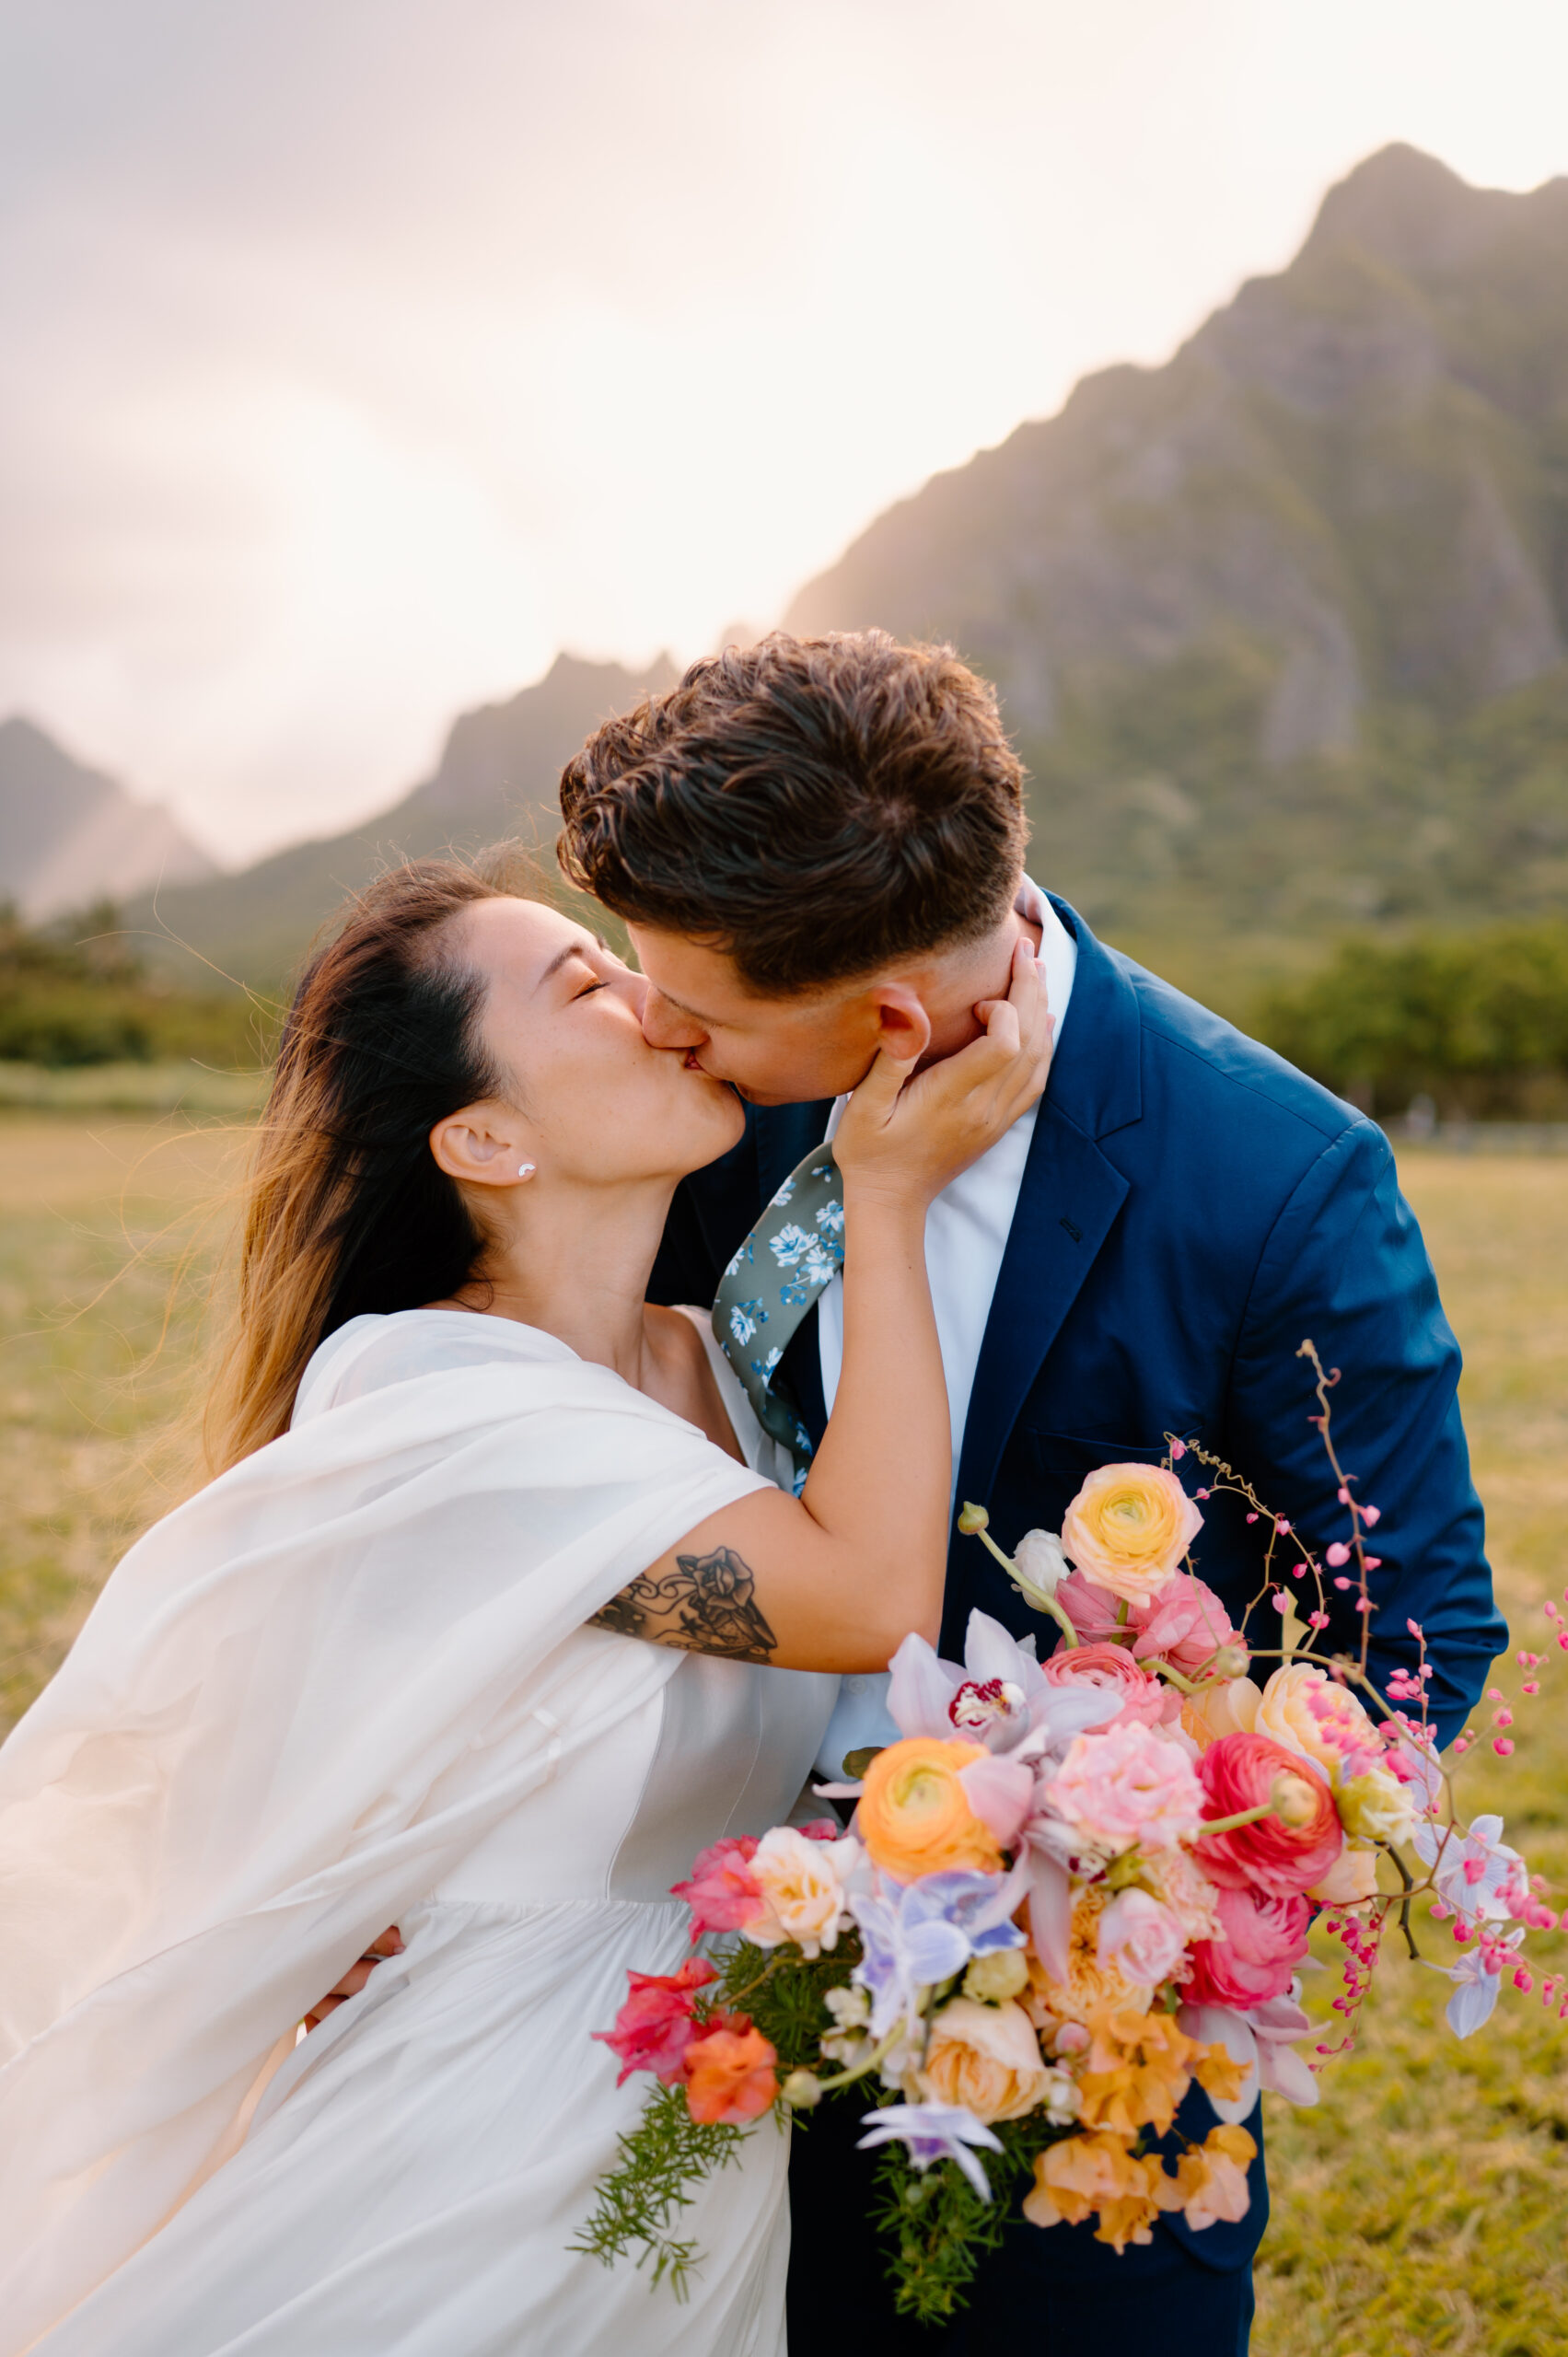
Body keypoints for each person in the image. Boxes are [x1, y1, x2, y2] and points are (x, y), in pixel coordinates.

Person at [554, 628, 1505, 2354]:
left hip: (1051, 2075)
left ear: (888, 1021)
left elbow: (1411, 1645)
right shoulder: (679, 1099)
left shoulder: (1275, 1183)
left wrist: (1098, 1883)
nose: (648, 1022)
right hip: (633, 2002)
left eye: (696, 1004)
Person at [0, 855, 1051, 2357]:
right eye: (589, 984)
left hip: (683, 2133)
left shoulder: (715, 1365)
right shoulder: (440, 1397)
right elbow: (871, 1596)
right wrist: (885, 1192)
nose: (661, 1006)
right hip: (474, 2145)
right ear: (484, 1137)